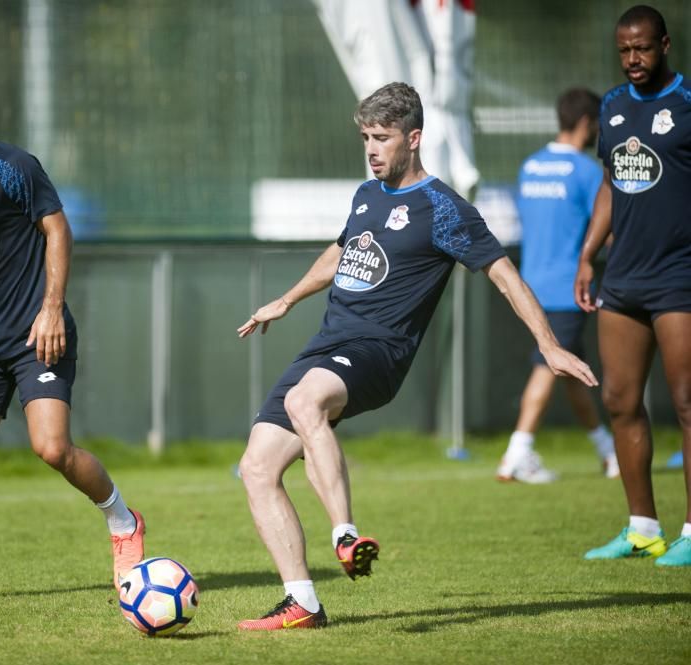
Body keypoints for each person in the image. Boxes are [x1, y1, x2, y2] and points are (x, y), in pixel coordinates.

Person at [235, 82, 598, 630]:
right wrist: (285, 300)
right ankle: (303, 602)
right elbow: (343, 251)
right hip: (327, 346)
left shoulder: (444, 209)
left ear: (414, 138)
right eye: (365, 137)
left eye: (382, 138)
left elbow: (504, 276)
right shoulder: (366, 194)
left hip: (379, 353)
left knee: (306, 402)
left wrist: (549, 345)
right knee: (256, 467)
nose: (372, 149)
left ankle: (345, 535)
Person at [0, 60, 145, 601]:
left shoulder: (11, 166)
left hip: (38, 335)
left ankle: (124, 522)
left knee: (52, 448)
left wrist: (52, 308)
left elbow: (57, 227)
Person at [576, 5, 691, 567]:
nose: (632, 59)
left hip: (679, 276)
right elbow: (610, 184)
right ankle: (643, 527)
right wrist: (588, 254)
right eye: (623, 50)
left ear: (664, 45)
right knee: (620, 400)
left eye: (642, 48)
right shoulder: (614, 106)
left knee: (688, 403)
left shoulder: (688, 105)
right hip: (623, 278)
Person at [497, 88, 619, 484]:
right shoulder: (586, 172)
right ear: (587, 123)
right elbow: (606, 230)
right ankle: (517, 452)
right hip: (568, 288)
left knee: (571, 371)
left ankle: (608, 453)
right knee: (547, 368)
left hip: (530, 287)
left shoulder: (530, 166)